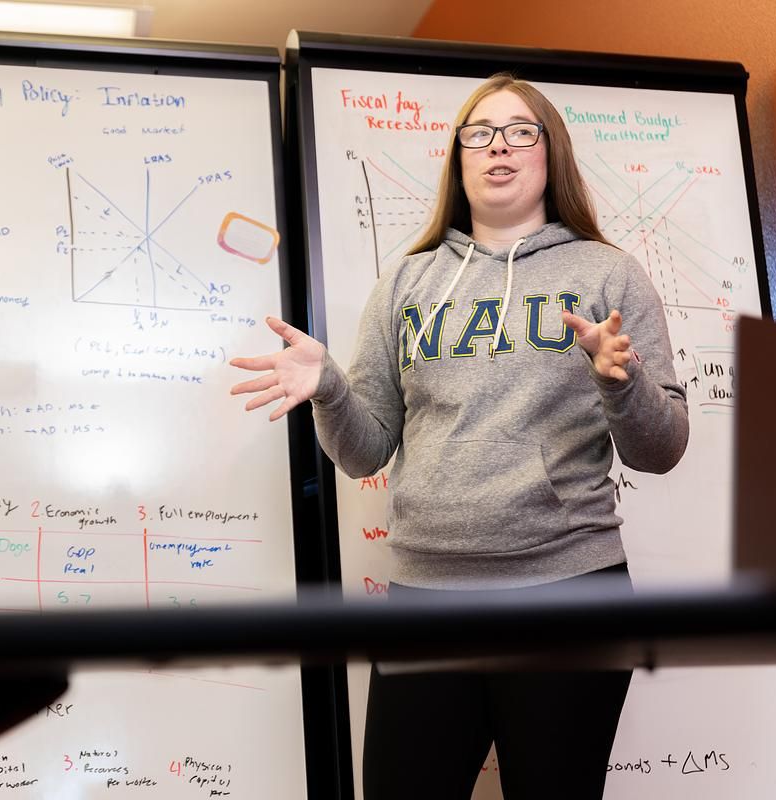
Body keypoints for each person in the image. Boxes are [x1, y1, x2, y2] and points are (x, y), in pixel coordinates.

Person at [231, 73, 689, 799]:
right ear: (457, 157)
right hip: (427, 602)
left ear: (550, 153)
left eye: (519, 131)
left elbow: (659, 451)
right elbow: (364, 452)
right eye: (478, 133)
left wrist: (619, 382)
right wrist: (330, 389)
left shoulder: (609, 275)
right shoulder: (406, 284)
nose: (497, 147)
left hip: (569, 597)